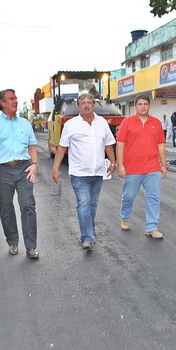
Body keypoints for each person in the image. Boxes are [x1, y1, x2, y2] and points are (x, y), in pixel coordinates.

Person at [51, 93, 116, 250]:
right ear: (78, 106)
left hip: (98, 171)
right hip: (79, 173)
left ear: (94, 104)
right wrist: (55, 168)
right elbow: (62, 148)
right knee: (84, 204)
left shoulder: (102, 123)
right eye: (83, 103)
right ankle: (86, 237)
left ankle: (89, 229)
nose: (86, 105)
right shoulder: (71, 125)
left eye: (89, 102)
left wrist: (113, 162)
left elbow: (108, 144)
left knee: (93, 204)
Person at [0, 89, 40, 259]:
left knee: (28, 205)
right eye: (11, 99)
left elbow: (32, 147)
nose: (15, 101)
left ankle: (31, 247)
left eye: (16, 98)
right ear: (2, 103)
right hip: (2, 170)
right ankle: (12, 242)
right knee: (6, 207)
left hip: (24, 168)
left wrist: (34, 164)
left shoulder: (25, 124)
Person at [117, 94, 166, 239]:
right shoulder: (127, 122)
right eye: (140, 104)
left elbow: (161, 145)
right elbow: (120, 144)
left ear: (149, 106)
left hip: (152, 167)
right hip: (132, 168)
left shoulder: (156, 123)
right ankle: (125, 218)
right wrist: (120, 165)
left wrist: (163, 164)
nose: (143, 106)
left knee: (153, 197)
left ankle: (151, 227)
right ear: (135, 106)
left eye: (145, 104)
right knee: (129, 196)